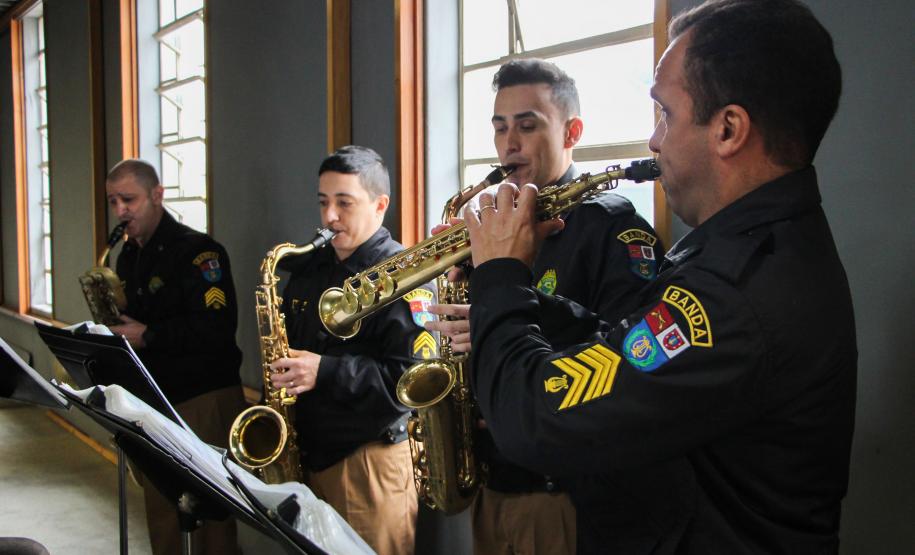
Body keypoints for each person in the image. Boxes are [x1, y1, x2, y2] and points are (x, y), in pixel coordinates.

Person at [464, 0, 854, 553]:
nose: (653, 141)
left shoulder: (734, 295)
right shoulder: (747, 248)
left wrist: (499, 277)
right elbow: (623, 358)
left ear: (728, 130)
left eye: (665, 114)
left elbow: (534, 421)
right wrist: (535, 303)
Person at [426, 59, 685, 554]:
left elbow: (635, 355)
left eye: (527, 125)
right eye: (500, 127)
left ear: (572, 132)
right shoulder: (492, 229)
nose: (509, 144)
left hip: (560, 498)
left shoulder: (614, 228)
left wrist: (511, 315)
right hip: (490, 481)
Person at [268, 145, 429, 555]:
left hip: (367, 465)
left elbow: (410, 383)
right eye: (323, 202)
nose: (329, 218)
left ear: (380, 206)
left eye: (344, 203)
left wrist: (325, 371)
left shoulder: (406, 275)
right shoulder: (313, 268)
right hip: (309, 457)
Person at [106, 158, 246, 555]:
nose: (121, 211)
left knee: (214, 514)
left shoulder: (200, 253)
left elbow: (215, 328)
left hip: (204, 397)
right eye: (114, 201)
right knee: (164, 514)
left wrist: (148, 335)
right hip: (157, 400)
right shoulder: (128, 257)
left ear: (157, 195)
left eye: (129, 199)